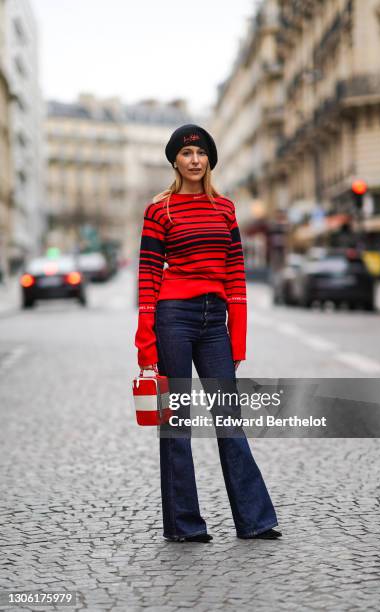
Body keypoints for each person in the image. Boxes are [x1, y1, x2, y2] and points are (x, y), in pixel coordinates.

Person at [135, 124, 281, 542]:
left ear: (210, 160)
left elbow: (236, 275)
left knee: (229, 419)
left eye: (201, 153)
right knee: (176, 421)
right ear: (175, 161)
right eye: (186, 154)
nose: (194, 160)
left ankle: (255, 521)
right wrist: (146, 340)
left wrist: (239, 336)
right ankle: (184, 525)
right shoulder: (159, 210)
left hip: (214, 320)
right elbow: (147, 277)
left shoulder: (225, 209)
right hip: (173, 318)